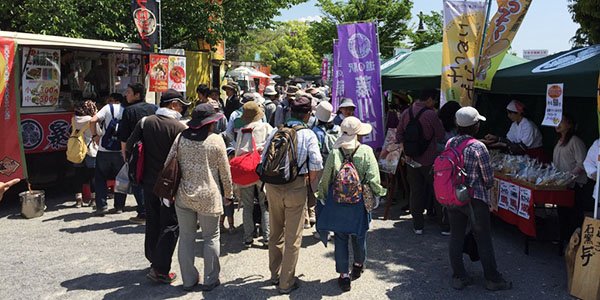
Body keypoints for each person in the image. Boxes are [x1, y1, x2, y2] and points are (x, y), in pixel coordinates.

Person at [166, 103, 233, 292]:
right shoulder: (215, 140)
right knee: (211, 237)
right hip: (209, 196)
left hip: (183, 194)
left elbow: (168, 162)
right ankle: (211, 279)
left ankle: (188, 280)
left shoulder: (180, 138)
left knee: (186, 237)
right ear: (210, 123)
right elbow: (225, 173)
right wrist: (229, 194)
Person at [315, 117, 386, 292]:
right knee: (359, 235)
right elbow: (373, 178)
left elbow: (326, 179)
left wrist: (322, 195)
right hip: (358, 202)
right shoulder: (366, 151)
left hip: (338, 202)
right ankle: (358, 264)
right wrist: (379, 193)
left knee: (340, 238)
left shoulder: (335, 152)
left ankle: (343, 276)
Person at [126, 89, 189, 284]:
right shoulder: (178, 128)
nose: (182, 109)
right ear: (173, 105)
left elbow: (129, 146)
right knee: (170, 223)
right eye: (180, 105)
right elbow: (183, 158)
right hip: (169, 184)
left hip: (147, 181)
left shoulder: (145, 122)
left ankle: (154, 259)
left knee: (152, 220)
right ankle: (160, 269)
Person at [446, 106, 511, 291]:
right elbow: (488, 177)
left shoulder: (451, 142)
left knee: (456, 236)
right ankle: (492, 278)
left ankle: (459, 276)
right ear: (474, 126)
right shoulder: (478, 147)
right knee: (483, 238)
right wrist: (488, 186)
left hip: (454, 196)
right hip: (475, 198)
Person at [263, 96, 323, 294]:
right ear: (308, 114)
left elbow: (264, 159)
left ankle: (274, 274)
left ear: (289, 112)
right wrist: (307, 180)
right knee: (293, 237)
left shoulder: (275, 131)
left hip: (272, 186)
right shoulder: (308, 134)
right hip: (296, 186)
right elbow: (316, 164)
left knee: (275, 232)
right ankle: (286, 282)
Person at [396, 88, 446, 235]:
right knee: (438, 190)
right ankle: (444, 225)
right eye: (435, 100)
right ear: (429, 99)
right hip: (430, 159)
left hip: (411, 160)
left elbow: (399, 135)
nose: (435, 103)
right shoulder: (431, 114)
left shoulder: (406, 113)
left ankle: (418, 225)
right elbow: (440, 135)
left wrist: (406, 152)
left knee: (415, 192)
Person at [234, 102, 273, 248]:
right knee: (265, 205)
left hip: (245, 170)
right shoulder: (266, 128)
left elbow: (238, 151)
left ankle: (248, 238)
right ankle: (267, 237)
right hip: (260, 170)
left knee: (248, 205)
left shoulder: (242, 130)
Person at [118, 82, 157, 224]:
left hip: (136, 152)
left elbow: (124, 137)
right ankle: (153, 211)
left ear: (137, 95)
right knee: (151, 180)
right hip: (154, 150)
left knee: (136, 181)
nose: (126, 94)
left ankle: (143, 212)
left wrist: (125, 155)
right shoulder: (154, 108)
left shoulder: (129, 111)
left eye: (129, 92)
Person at [90, 93, 128, 215]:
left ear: (114, 101)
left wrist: (95, 136)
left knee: (100, 178)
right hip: (120, 150)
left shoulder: (108, 108)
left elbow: (93, 120)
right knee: (121, 179)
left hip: (104, 149)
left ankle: (101, 206)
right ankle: (119, 206)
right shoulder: (127, 109)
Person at [552, 114, 587, 243]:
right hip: (561, 184)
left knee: (574, 214)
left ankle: (577, 241)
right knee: (562, 212)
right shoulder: (559, 141)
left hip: (574, 184)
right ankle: (564, 238)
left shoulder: (575, 141)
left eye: (562, 121)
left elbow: (582, 163)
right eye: (557, 121)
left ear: (570, 124)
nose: (558, 124)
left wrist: (569, 177)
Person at [309, 101, 340, 229]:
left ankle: (322, 228)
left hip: (321, 166)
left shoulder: (315, 131)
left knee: (320, 196)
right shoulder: (337, 129)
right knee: (333, 195)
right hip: (336, 164)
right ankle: (333, 224)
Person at [73, 100, 99, 208]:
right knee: (92, 175)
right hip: (90, 149)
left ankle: (79, 200)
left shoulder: (74, 119)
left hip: (77, 149)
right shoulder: (91, 120)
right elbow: (98, 132)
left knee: (78, 174)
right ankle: (93, 199)